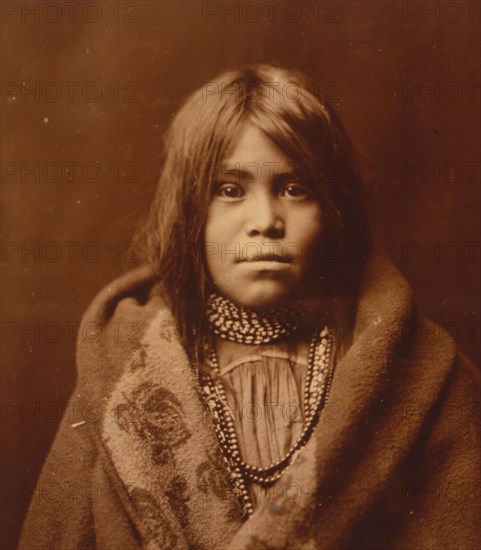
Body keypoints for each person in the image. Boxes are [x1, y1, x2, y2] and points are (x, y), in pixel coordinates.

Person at [20, 65, 480, 549]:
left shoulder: (418, 371)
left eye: (295, 189)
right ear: (188, 212)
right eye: (230, 190)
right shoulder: (120, 372)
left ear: (333, 210)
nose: (265, 221)